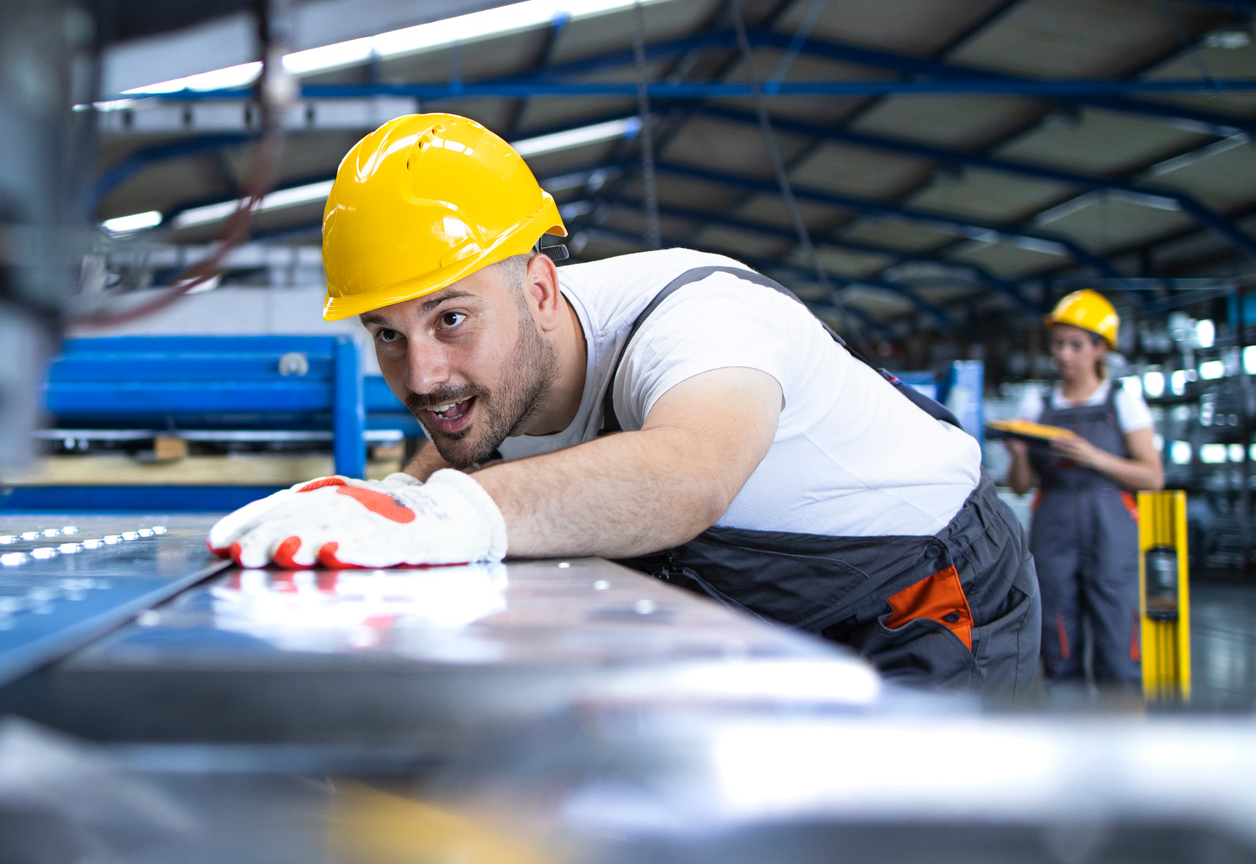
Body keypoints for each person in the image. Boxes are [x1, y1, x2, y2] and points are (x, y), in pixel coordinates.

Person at [208, 113, 1039, 692]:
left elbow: (689, 472)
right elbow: (459, 442)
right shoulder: (500, 372)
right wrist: (397, 501)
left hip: (927, 596)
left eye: (451, 318)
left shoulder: (698, 317)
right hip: (769, 617)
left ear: (540, 289)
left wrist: (449, 514)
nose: (422, 375)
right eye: (387, 335)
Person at [1002, 291, 1162, 689]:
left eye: (1075, 345)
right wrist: (1020, 454)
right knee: (1058, 649)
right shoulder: (1035, 405)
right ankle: (1068, 743)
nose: (1064, 354)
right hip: (1053, 533)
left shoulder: (1123, 403)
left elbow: (1152, 477)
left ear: (1100, 349)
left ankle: (1123, 742)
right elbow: (1020, 487)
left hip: (1111, 536)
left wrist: (1093, 457)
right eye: (1058, 343)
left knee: (1118, 650)